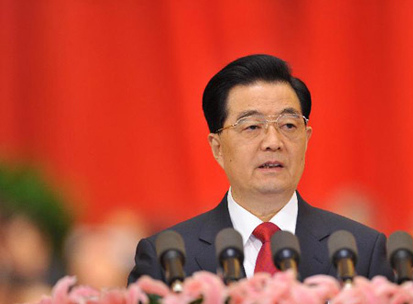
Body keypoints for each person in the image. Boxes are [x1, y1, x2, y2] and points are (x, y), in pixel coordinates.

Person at [128, 54, 394, 284]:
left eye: (289, 125)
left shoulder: (362, 252)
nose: (273, 142)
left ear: (307, 139)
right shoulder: (167, 259)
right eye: (252, 127)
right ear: (217, 147)